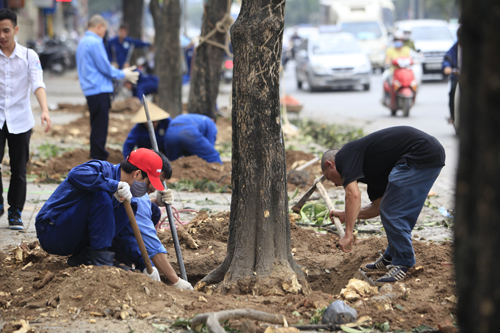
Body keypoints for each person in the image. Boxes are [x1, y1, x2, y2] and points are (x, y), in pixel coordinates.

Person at [35, 149, 192, 289]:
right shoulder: (102, 168)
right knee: (102, 194)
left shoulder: (129, 199)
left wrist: (145, 265)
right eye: (150, 183)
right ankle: (101, 263)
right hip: (52, 231)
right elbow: (75, 174)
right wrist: (112, 185)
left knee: (128, 207)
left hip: (75, 241)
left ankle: (87, 256)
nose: (151, 189)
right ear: (137, 174)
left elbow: (127, 235)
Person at [321, 126, 445, 285]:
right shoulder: (372, 172)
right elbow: (378, 207)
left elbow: (353, 195)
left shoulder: (344, 156)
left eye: (329, 178)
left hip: (420, 153)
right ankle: (392, 255)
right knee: (389, 207)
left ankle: (404, 261)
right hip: (422, 155)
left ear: (330, 164)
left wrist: (348, 234)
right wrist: (347, 214)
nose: (335, 185)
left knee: (394, 210)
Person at [0, 9, 52, 230]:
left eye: (6, 30)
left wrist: (45, 110)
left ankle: (15, 211)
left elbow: (37, 84)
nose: (2, 36)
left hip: (20, 119)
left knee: (19, 169)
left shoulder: (30, 56)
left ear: (16, 30)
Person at [76, 15, 139, 161]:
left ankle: (96, 154)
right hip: (99, 89)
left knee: (96, 124)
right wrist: (123, 74)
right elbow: (105, 68)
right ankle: (98, 157)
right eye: (104, 29)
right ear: (99, 26)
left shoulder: (83, 42)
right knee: (100, 126)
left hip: (89, 89)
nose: (105, 33)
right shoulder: (95, 42)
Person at [442, 27, 461, 124]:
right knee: (452, 92)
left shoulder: (475, 48)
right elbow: (447, 60)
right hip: (457, 77)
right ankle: (453, 116)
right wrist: (447, 67)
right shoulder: (454, 49)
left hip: (473, 79)